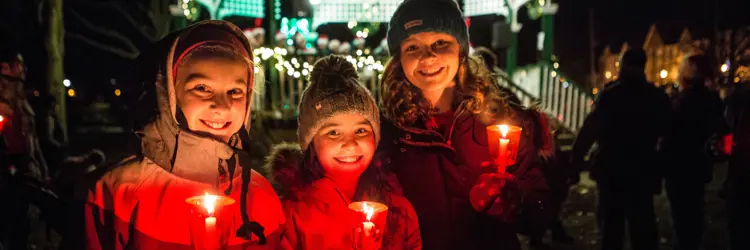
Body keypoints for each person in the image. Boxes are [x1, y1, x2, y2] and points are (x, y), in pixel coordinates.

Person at [80, 21, 285, 249]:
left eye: (235, 91)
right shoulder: (118, 192)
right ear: (169, 94)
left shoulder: (261, 198)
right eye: (202, 88)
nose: (221, 105)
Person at [380, 0, 552, 249]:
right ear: (399, 61)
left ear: (460, 51)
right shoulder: (387, 137)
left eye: (441, 43)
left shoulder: (500, 124)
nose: (428, 56)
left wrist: (515, 197)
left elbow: (541, 211)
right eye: (412, 47)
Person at [265, 55, 421, 249]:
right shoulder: (291, 213)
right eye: (333, 132)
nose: (350, 143)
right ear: (311, 143)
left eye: (361, 130)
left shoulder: (398, 210)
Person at [571, 48, 670, 250]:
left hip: (612, 170)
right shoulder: (656, 97)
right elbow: (668, 131)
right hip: (642, 169)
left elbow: (589, 130)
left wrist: (576, 160)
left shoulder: (609, 96)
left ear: (622, 66)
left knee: (611, 230)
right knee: (643, 227)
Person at [661, 54, 724, 250]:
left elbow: (668, 134)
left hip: (678, 167)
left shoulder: (681, 102)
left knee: (682, 217)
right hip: (699, 166)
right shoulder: (713, 101)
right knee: (695, 212)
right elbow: (722, 132)